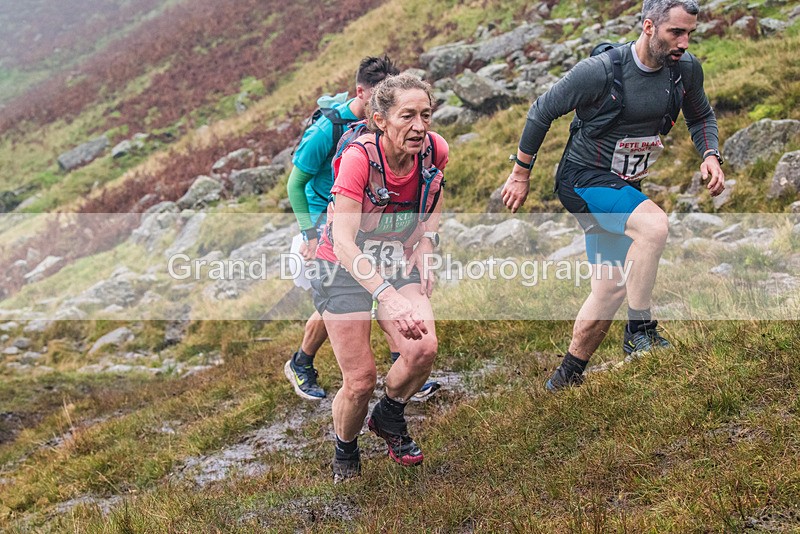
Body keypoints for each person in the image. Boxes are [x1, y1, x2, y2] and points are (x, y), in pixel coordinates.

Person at [502, 0, 725, 391]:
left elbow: (701, 115)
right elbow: (541, 111)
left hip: (624, 184)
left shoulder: (684, 70)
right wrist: (521, 173)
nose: (684, 42)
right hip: (582, 180)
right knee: (653, 226)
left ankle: (565, 378)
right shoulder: (600, 71)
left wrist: (710, 154)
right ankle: (640, 331)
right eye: (676, 32)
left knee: (610, 288)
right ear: (649, 27)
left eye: (690, 33)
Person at [309, 73, 448, 482]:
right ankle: (345, 449)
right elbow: (343, 243)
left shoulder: (434, 150)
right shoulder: (359, 160)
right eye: (408, 116)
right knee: (360, 380)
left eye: (425, 115)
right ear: (381, 120)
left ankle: (389, 416)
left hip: (395, 257)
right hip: (341, 266)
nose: (419, 126)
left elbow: (436, 193)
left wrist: (428, 241)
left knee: (422, 349)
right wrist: (388, 297)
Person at [284, 56, 438, 401]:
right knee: (339, 298)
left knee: (380, 284)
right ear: (361, 93)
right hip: (327, 218)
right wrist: (310, 233)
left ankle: (404, 361)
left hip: (369, 216)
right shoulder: (328, 130)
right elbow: (295, 184)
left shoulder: (399, 131)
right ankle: (301, 361)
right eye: (379, 97)